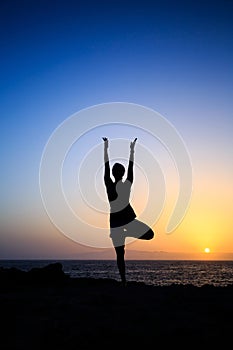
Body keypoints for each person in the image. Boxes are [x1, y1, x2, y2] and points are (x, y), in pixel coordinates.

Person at [102, 137, 154, 286]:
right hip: (122, 221)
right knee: (121, 254)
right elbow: (130, 168)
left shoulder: (114, 184)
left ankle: (124, 281)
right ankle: (124, 281)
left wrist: (106, 149)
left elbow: (108, 167)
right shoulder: (120, 184)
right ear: (121, 173)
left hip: (121, 222)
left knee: (120, 254)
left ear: (115, 173)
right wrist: (131, 151)